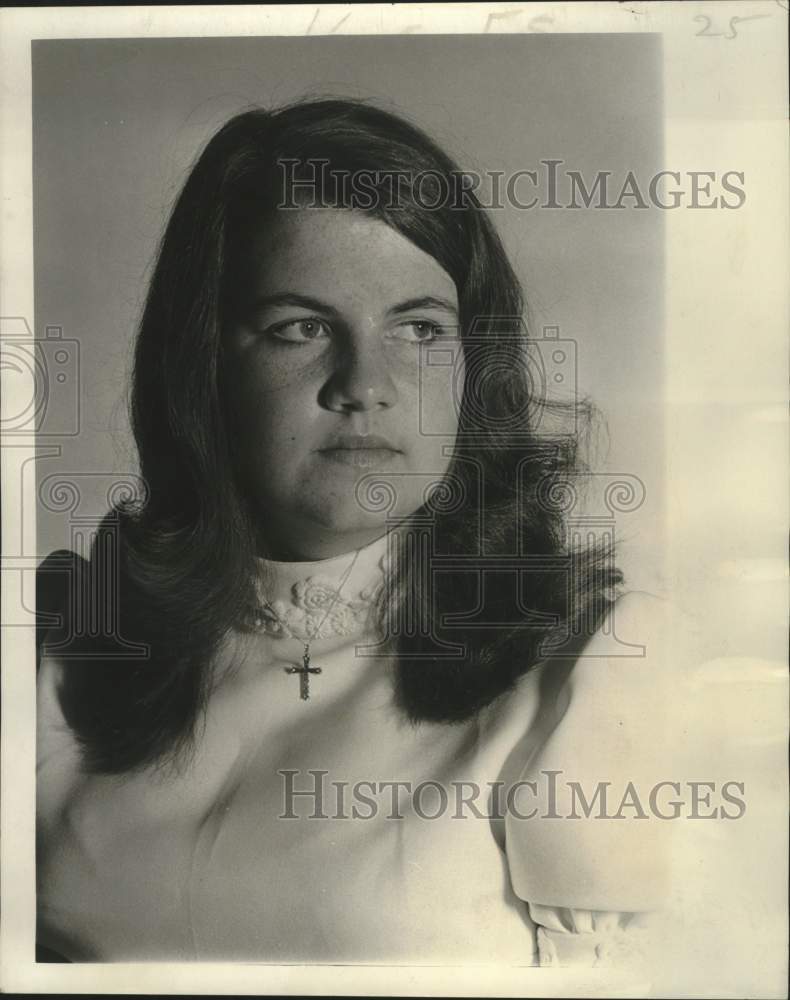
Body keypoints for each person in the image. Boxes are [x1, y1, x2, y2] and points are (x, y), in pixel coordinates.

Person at [36, 98, 673, 966]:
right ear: (203, 363)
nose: (365, 383)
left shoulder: (588, 665)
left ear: (469, 365)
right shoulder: (63, 649)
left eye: (419, 328)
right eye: (300, 328)